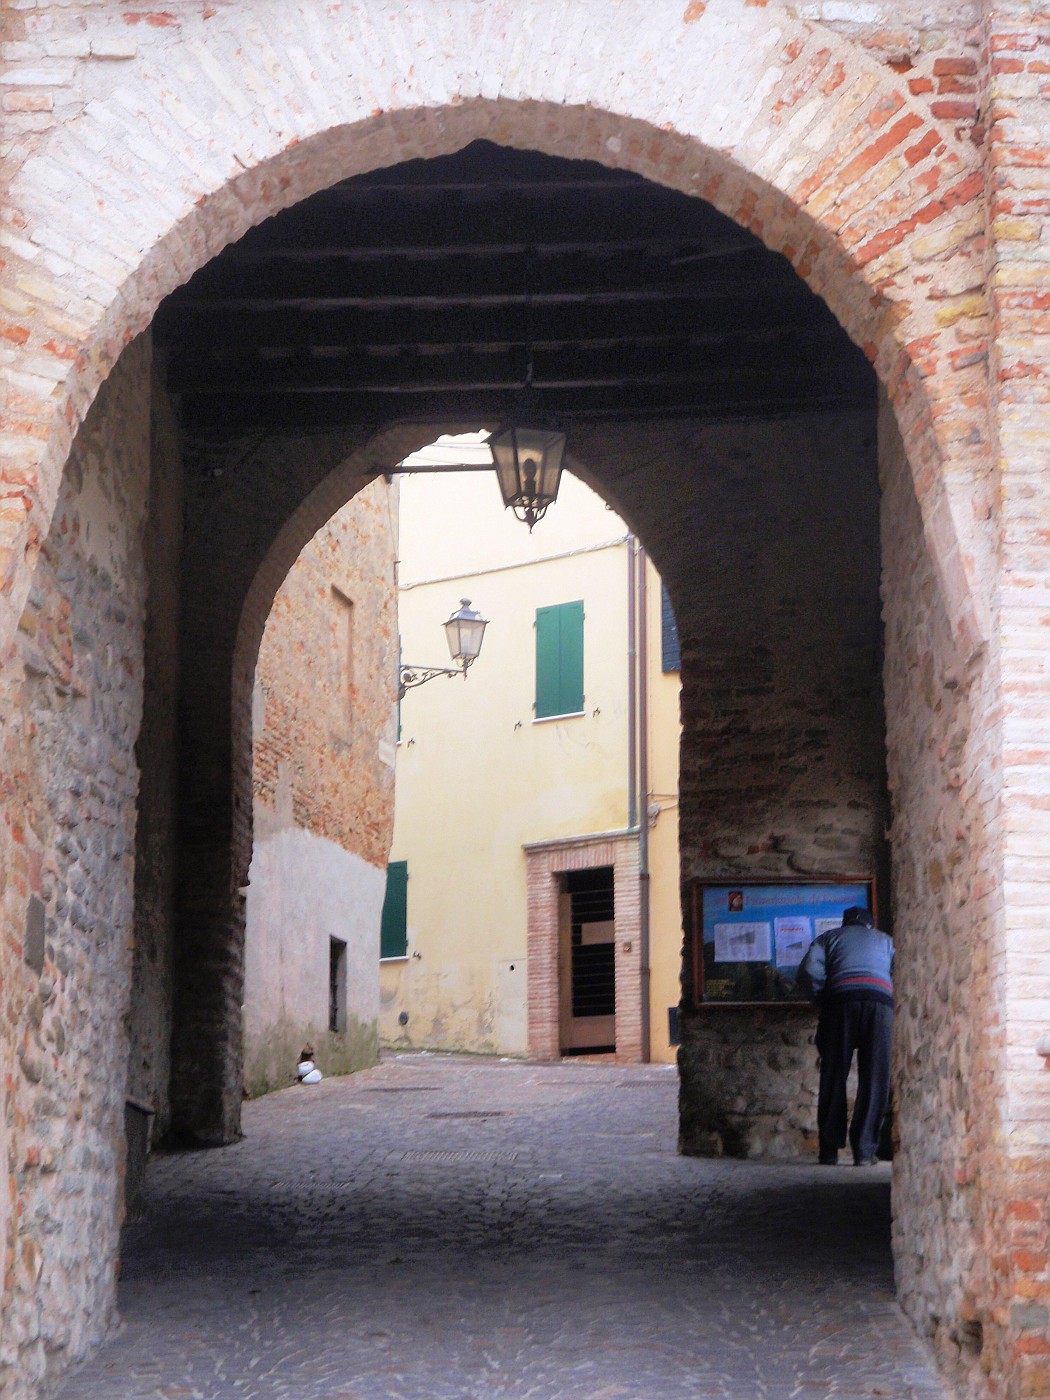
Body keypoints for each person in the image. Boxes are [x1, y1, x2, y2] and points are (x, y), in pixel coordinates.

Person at [797, 906, 893, 1166]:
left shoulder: (828, 938)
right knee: (875, 1078)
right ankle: (864, 1151)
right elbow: (899, 972)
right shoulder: (885, 941)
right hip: (880, 1006)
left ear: (845, 923)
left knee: (833, 1076)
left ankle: (829, 1150)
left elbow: (810, 971)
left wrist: (822, 998)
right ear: (869, 925)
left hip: (840, 1004)